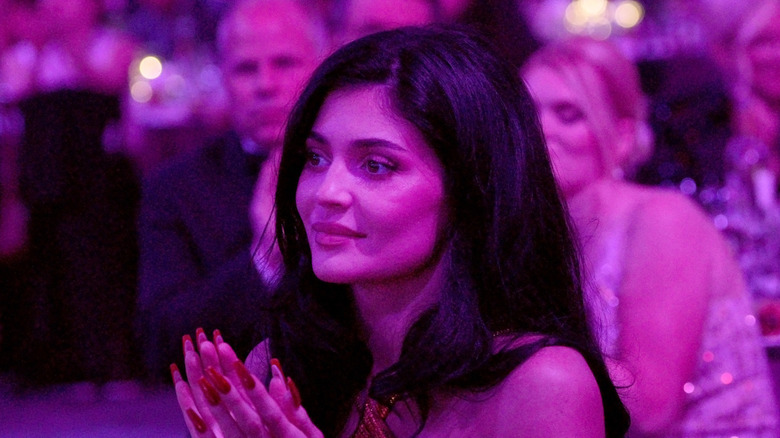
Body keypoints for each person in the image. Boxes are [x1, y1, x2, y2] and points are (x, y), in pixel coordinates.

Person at [171, 26, 631, 437]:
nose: (327, 192)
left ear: (470, 190)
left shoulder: (542, 383)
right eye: (315, 158)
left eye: (376, 166)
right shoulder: (280, 367)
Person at [522, 36, 779, 436]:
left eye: (568, 114)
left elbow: (649, 410)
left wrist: (516, 341)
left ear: (623, 137)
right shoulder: (532, 238)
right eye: (526, 113)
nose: (540, 130)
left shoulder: (662, 220)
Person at [136, 0, 327, 381]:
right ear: (222, 77)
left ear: (322, 66)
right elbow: (160, 345)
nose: (265, 85)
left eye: (285, 63)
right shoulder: (178, 187)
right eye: (245, 68)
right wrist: (264, 262)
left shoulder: (364, 170)